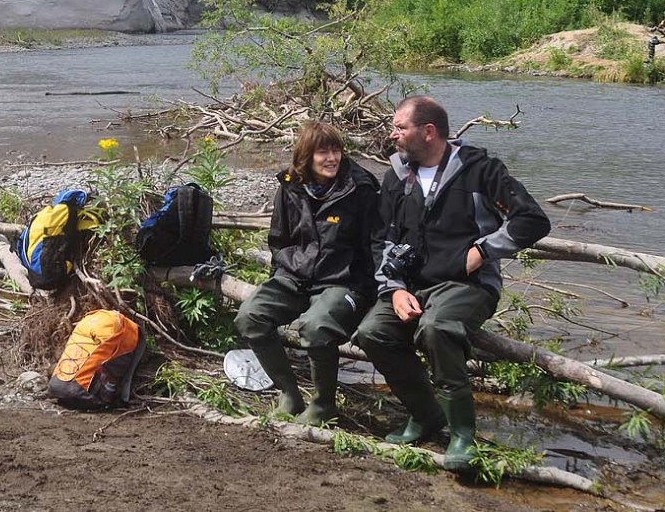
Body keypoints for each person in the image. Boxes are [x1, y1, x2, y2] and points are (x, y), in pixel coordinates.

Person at [355, 96, 550, 470]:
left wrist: (482, 251)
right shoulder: (396, 175)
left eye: (400, 127)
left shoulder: (481, 170)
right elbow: (381, 239)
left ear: (428, 132)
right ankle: (426, 415)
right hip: (411, 285)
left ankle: (462, 434)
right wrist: (394, 288)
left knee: (437, 327)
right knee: (371, 332)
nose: (392, 134)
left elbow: (533, 220)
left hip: (468, 285)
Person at [234, 120, 380, 425]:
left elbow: (374, 247)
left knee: (316, 326)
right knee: (250, 316)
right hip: (295, 277)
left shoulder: (361, 187)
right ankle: (288, 392)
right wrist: (282, 274)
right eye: (322, 152)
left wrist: (366, 291)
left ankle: (323, 404)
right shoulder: (290, 187)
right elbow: (278, 240)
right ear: (306, 156)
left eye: (336, 150)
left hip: (342, 282)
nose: (332, 158)